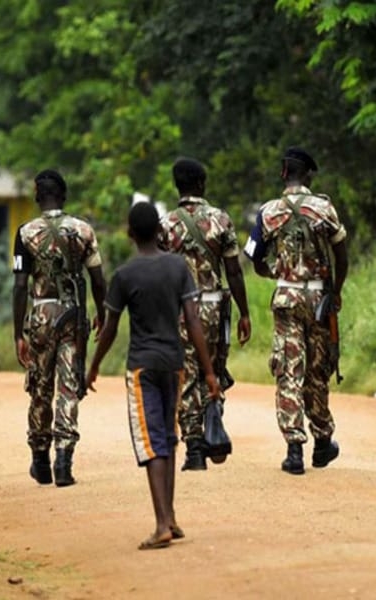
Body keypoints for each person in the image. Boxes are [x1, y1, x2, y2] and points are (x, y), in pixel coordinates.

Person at [86, 201, 220, 550]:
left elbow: (110, 328)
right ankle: (171, 518)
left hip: (142, 367)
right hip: (174, 364)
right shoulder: (177, 267)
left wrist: (94, 366)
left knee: (152, 443)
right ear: (160, 231)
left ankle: (161, 523)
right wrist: (208, 372)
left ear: (129, 234)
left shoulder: (125, 276)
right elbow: (193, 322)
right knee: (169, 439)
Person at [244, 147, 348, 475]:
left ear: (283, 173)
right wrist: (336, 291)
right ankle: (322, 441)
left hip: (287, 298)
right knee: (317, 371)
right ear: (308, 175)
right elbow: (342, 255)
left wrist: (276, 271)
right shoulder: (324, 208)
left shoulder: (269, 212)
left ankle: (293, 451)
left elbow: (253, 255)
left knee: (290, 369)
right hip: (319, 300)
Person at [12, 169, 107, 487]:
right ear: (64, 196)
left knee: (40, 387)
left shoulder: (25, 233)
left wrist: (17, 334)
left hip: (39, 316)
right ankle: (64, 461)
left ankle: (40, 459)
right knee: (68, 388)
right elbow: (98, 279)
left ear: (38, 196)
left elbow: (20, 285)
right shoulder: (83, 230)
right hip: (72, 316)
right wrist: (103, 316)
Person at [159, 157, 252, 471]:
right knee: (213, 368)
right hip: (214, 307)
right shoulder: (220, 219)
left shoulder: (166, 224)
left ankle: (194, 448)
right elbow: (234, 271)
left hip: (179, 310)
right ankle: (213, 420)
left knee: (185, 375)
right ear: (201, 184)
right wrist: (244, 313)